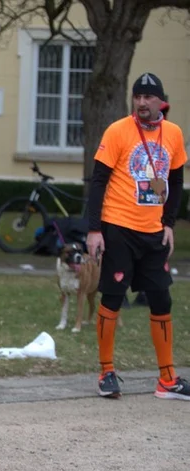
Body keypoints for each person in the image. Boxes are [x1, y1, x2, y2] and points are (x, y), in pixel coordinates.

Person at [86, 72, 188, 400]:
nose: (142, 102)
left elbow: (175, 182)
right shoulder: (118, 130)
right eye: (137, 96)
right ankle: (106, 372)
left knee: (161, 298)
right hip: (118, 228)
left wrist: (169, 223)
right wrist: (94, 229)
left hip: (154, 232)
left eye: (148, 97)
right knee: (113, 297)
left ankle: (167, 380)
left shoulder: (172, 133)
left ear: (161, 101)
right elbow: (98, 180)